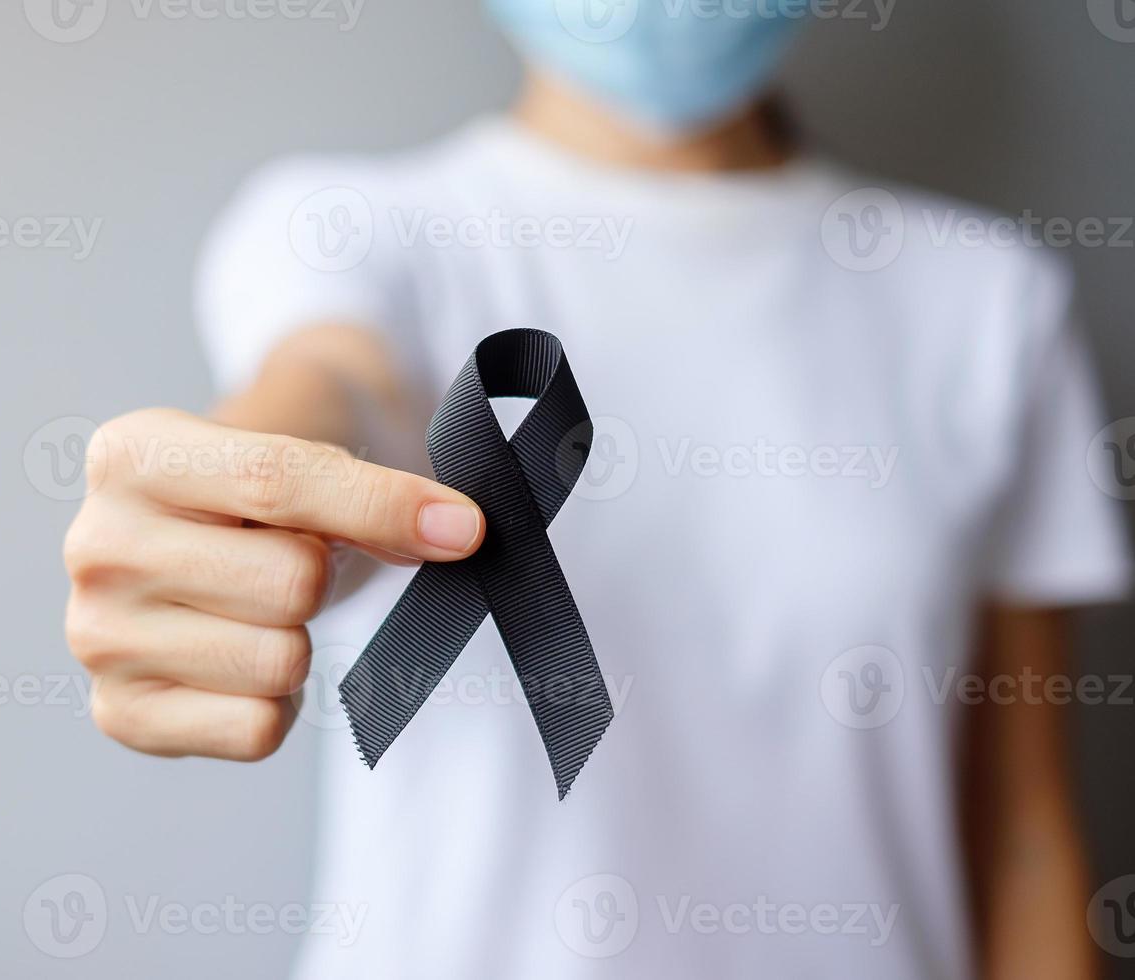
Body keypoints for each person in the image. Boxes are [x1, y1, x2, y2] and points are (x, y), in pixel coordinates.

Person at [61, 2, 1130, 976]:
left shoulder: (987, 302)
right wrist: (233, 503)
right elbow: (332, 382)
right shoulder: (356, 230)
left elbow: (1022, 828)